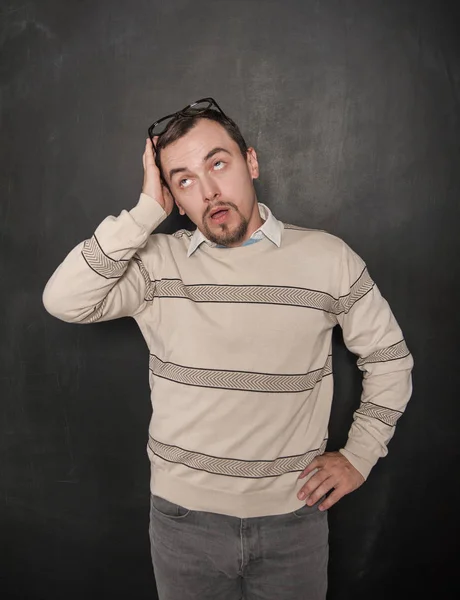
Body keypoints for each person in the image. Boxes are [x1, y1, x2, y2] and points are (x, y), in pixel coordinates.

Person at [43, 97, 414, 600]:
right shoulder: (156, 263)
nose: (210, 191)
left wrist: (360, 455)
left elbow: (389, 359)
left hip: (293, 520)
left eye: (218, 163)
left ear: (251, 162)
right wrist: (146, 212)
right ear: (172, 194)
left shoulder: (329, 259)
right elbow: (64, 301)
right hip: (183, 524)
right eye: (184, 179)